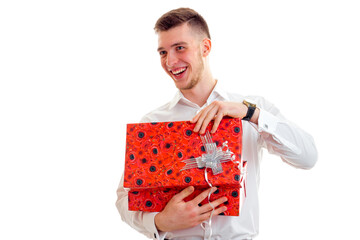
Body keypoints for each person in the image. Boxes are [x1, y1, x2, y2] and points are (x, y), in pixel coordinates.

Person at [116, 7, 317, 240]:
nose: (170, 61)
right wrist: (159, 221)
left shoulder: (250, 110)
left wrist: (250, 114)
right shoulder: (152, 124)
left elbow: (308, 157)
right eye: (162, 52)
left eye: (179, 48)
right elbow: (124, 198)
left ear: (205, 48)